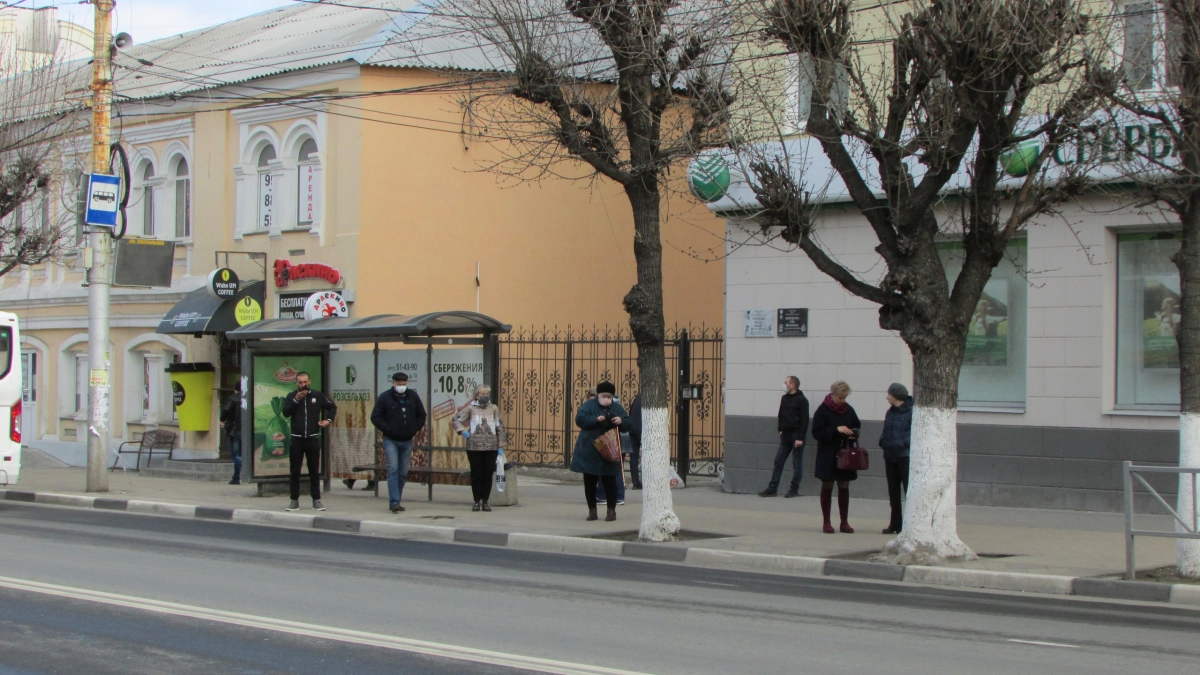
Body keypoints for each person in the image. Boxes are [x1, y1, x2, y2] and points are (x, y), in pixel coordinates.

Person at [371, 372, 427, 513]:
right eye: (399, 384)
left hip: (407, 439)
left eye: (404, 384)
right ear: (393, 383)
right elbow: (375, 417)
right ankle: (394, 501)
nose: (402, 386)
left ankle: (398, 499)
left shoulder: (412, 397)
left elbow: (422, 414)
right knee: (393, 468)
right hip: (391, 439)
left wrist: (414, 428)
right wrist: (387, 428)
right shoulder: (385, 397)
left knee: (402, 472)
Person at [570, 381, 627, 522]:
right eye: (603, 396)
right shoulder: (589, 406)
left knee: (610, 481)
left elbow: (628, 424)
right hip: (590, 449)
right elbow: (580, 419)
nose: (606, 399)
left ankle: (611, 512)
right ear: (598, 395)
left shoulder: (617, 408)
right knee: (590, 481)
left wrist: (621, 421)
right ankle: (592, 511)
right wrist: (595, 419)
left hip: (610, 450)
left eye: (609, 396)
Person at [281, 372, 336, 512]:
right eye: (300, 382)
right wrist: (296, 400)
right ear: (296, 383)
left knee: (314, 470)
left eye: (305, 382)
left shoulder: (317, 396)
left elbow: (332, 406)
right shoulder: (291, 396)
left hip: (312, 437)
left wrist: (328, 420)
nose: (303, 385)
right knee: (295, 470)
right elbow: (286, 413)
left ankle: (316, 500)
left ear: (309, 381)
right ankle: (294, 500)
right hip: (296, 438)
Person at [811, 381, 860, 534]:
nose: (842, 401)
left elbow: (857, 425)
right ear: (832, 395)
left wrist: (852, 434)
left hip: (845, 453)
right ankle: (826, 521)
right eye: (840, 398)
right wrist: (836, 430)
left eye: (844, 398)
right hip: (828, 453)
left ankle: (844, 521)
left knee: (844, 485)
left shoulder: (848, 410)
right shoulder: (822, 410)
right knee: (827, 485)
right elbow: (816, 433)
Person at [452, 385, 505, 512]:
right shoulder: (470, 408)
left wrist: (501, 446)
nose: (485, 396)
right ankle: (476, 501)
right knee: (476, 474)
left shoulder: (493, 408)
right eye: (482, 394)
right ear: (476, 396)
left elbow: (500, 427)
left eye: (487, 394)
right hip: (474, 447)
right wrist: (462, 431)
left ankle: (486, 501)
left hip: (491, 447)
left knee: (487, 475)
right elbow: (455, 420)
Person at [759, 375, 809, 498]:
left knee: (796, 463)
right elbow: (780, 414)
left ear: (792, 385)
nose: (784, 384)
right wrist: (780, 429)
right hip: (785, 435)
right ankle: (772, 488)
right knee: (778, 461)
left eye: (786, 382)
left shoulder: (802, 400)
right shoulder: (784, 398)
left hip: (796, 435)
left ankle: (794, 489)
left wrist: (800, 437)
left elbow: (804, 420)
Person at [879, 383, 913, 535]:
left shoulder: (911, 412)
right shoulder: (890, 412)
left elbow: (913, 433)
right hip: (890, 455)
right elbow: (886, 430)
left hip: (904, 456)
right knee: (893, 492)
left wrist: (902, 443)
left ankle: (910, 524)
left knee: (908, 491)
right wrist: (883, 442)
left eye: (889, 394)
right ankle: (895, 523)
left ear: (897, 396)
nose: (887, 397)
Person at [220, 382, 243, 485]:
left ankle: (245, 467)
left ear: (235, 389)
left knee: (235, 455)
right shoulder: (249, 398)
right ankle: (236, 477)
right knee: (241, 454)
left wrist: (222, 420)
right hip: (246, 430)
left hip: (235, 429)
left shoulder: (232, 398)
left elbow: (226, 410)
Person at [627, 393, 643, 490]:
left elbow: (630, 411)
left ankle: (635, 481)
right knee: (648, 454)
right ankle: (648, 479)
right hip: (642, 430)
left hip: (632, 428)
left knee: (633, 456)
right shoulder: (651, 398)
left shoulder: (638, 397)